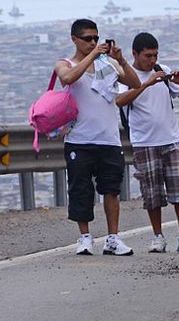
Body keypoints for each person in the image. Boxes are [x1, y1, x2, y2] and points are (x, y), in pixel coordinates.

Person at [56, 19, 141, 255]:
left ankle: (113, 238)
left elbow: (134, 83)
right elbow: (68, 78)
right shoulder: (65, 63)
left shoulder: (109, 65)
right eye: (88, 39)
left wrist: (120, 60)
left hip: (109, 139)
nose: (93, 42)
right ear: (74, 39)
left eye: (96, 38)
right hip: (79, 139)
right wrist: (92, 55)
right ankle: (84, 237)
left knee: (111, 190)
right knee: (81, 190)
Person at [116, 32, 179, 253]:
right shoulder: (127, 75)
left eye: (155, 55)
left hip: (171, 138)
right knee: (152, 193)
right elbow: (120, 101)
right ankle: (157, 236)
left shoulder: (163, 70)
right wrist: (146, 84)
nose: (152, 60)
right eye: (147, 56)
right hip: (144, 141)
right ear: (135, 54)